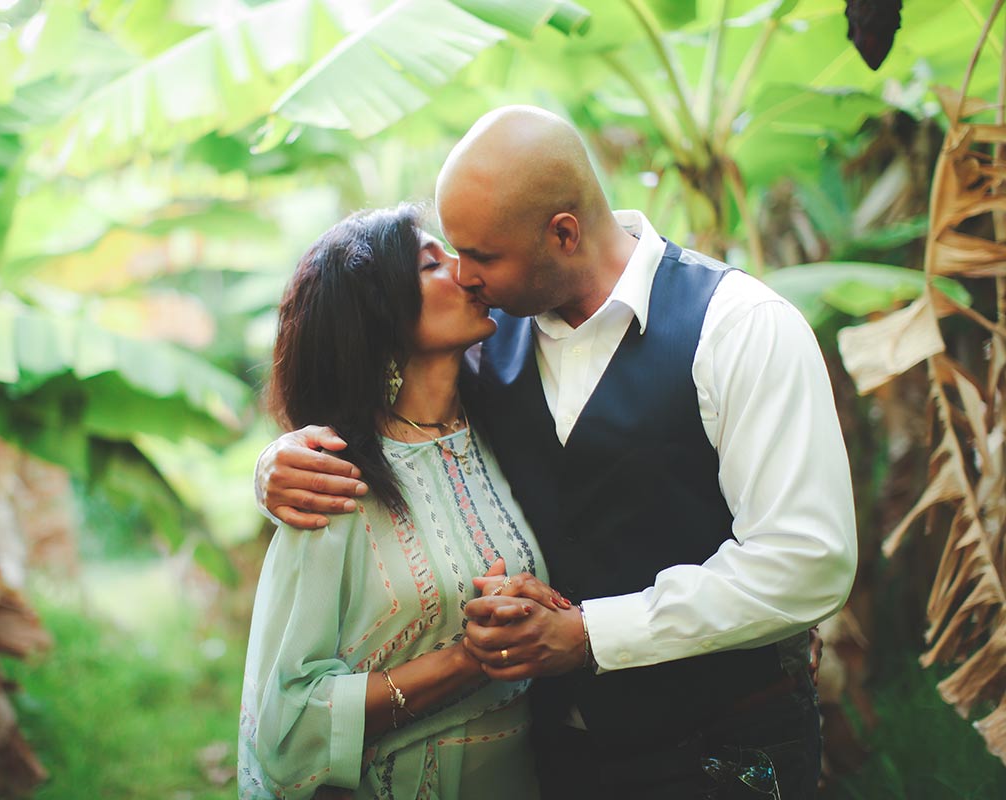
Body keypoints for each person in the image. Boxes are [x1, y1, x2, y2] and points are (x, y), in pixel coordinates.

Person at [255, 106, 858, 798]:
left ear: (562, 234)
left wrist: (589, 635)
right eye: (451, 252)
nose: (462, 275)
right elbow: (384, 410)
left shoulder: (740, 328)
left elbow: (807, 560)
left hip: (727, 751)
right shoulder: (479, 354)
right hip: (551, 764)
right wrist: (274, 466)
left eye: (481, 256)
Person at [240, 205, 559, 799]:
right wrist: (468, 660)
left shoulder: (509, 423)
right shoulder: (331, 482)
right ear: (377, 314)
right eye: (430, 263)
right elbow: (289, 726)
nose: (465, 272)